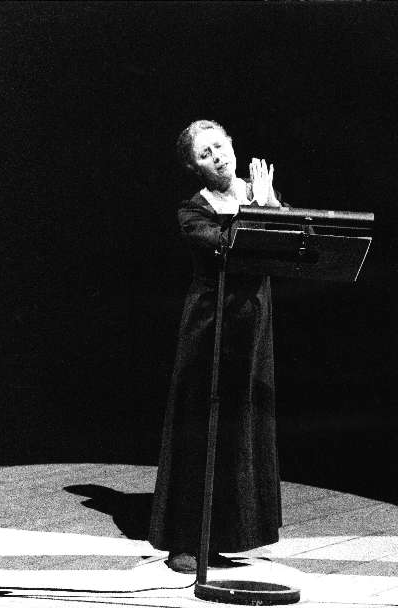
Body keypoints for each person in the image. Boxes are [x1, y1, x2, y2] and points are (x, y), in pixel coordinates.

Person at [148, 120, 284, 573]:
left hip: (252, 325)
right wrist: (259, 211)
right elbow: (230, 246)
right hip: (210, 326)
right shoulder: (193, 210)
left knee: (241, 426)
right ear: (195, 167)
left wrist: (270, 207)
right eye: (204, 154)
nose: (217, 157)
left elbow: (288, 243)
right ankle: (185, 541)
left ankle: (227, 534)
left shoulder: (259, 193)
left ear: (232, 145)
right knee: (201, 427)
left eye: (219, 146)